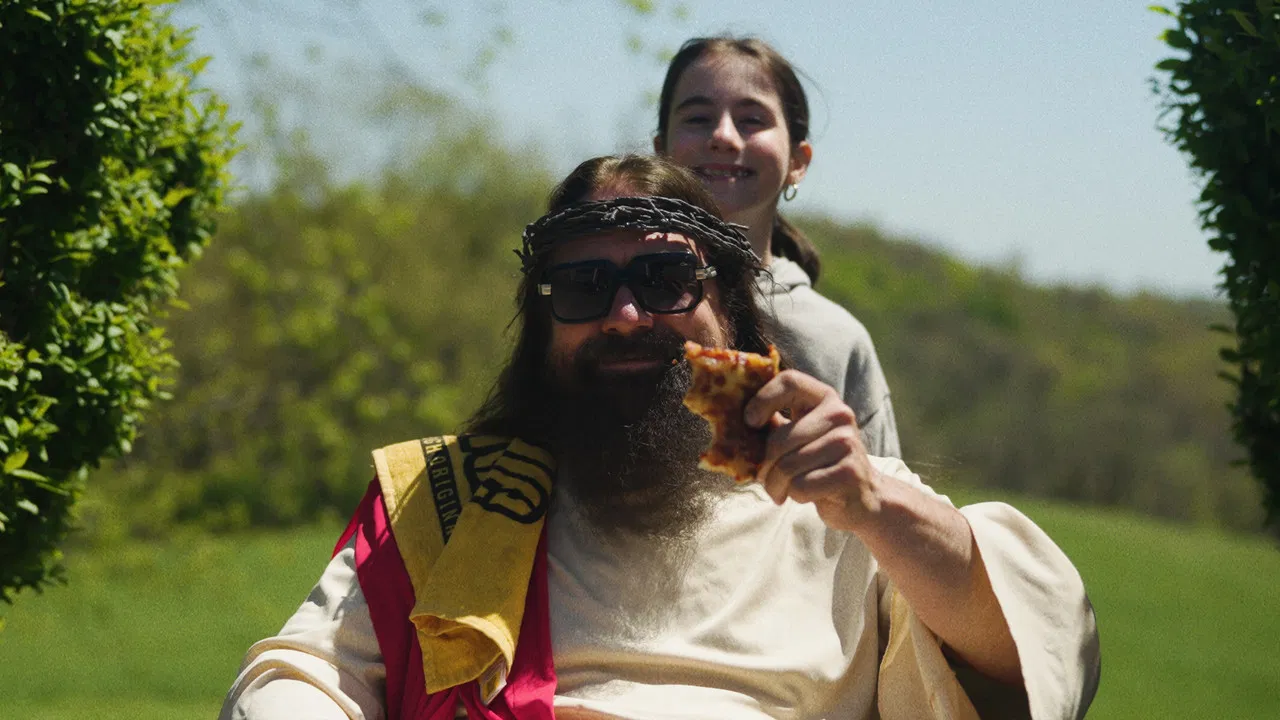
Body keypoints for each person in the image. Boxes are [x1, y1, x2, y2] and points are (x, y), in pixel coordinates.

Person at [219, 155, 1100, 720]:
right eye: (583, 288)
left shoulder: (850, 499)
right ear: (542, 325)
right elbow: (303, 674)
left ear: (731, 306)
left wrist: (874, 507)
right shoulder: (452, 500)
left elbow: (1037, 655)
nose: (626, 315)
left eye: (666, 277)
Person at [654, 36, 902, 458]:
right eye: (697, 118)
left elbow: (879, 490)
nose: (723, 136)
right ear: (660, 151)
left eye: (752, 120)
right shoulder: (612, 304)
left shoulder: (836, 341)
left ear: (797, 162)